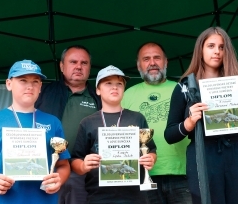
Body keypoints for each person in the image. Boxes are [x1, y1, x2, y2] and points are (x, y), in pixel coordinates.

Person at [164, 27, 238, 204]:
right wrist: (189, 123)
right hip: (203, 155)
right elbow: (169, 135)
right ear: (200, 49)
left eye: (222, 47)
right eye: (211, 46)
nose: (217, 51)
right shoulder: (185, 87)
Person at [0, 60, 71, 204]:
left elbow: (63, 165)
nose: (30, 86)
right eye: (23, 80)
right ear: (9, 84)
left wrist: (59, 179)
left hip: (44, 200)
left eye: (35, 81)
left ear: (40, 87)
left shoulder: (53, 122)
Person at [71, 65, 157, 204]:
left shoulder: (137, 118)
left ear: (124, 89)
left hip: (134, 195)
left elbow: (151, 150)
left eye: (119, 84)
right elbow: (76, 159)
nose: (114, 87)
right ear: (98, 90)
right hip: (98, 195)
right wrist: (83, 166)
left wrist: (151, 159)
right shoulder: (88, 122)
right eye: (108, 83)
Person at [121, 42, 192, 204]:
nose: (152, 63)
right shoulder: (127, 95)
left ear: (166, 62)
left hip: (182, 173)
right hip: (142, 174)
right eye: (146, 59)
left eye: (157, 58)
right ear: (139, 65)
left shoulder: (182, 90)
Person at [35, 45, 102, 204]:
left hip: (83, 174)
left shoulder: (98, 97)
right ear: (62, 66)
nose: (79, 66)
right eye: (73, 62)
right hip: (46, 172)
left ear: (89, 67)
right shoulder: (43, 92)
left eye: (84, 63)